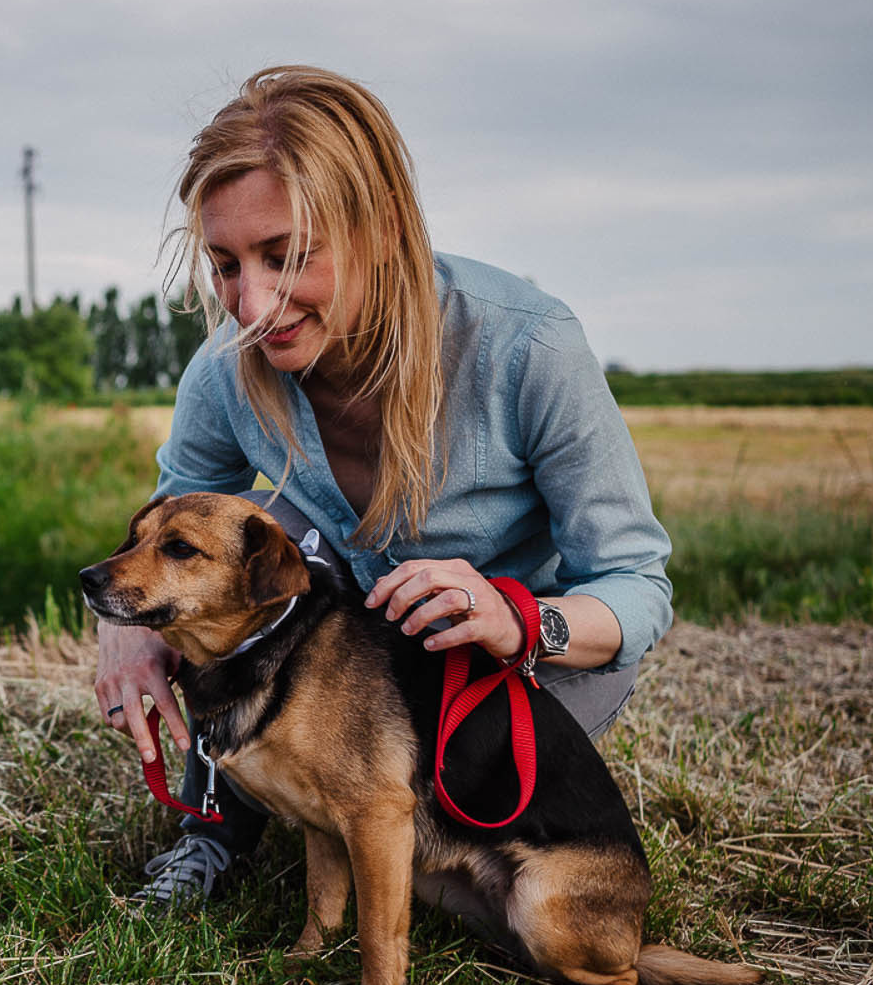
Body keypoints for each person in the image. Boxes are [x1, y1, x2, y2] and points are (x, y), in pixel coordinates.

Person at [94, 65, 673, 911]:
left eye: (285, 257)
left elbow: (636, 586)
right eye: (225, 265)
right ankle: (211, 832)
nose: (251, 304)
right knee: (262, 536)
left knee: (453, 886)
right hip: (353, 653)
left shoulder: (530, 346)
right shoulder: (224, 370)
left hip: (518, 666)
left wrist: (517, 618)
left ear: (380, 228)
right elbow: (169, 518)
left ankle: (408, 804)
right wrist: (127, 632)